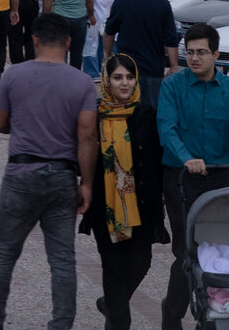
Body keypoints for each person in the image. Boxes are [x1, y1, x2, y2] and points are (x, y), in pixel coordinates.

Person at [0, 13, 97, 330]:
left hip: (21, 174)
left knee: (3, 254)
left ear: (35, 39)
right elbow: (87, 136)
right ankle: (60, 324)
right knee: (62, 260)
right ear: (69, 42)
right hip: (62, 177)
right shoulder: (82, 82)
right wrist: (87, 183)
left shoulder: (15, 76)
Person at [157, 22, 229, 330]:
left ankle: (217, 311)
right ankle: (172, 316)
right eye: (189, 53)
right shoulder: (173, 86)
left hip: (220, 179)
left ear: (215, 54)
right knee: (188, 250)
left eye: (201, 52)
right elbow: (166, 129)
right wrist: (186, 158)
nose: (194, 58)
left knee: (221, 248)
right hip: (181, 178)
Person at [78, 55, 168, 330]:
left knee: (141, 263)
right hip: (106, 207)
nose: (125, 83)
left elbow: (158, 158)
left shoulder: (146, 114)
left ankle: (111, 303)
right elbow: (81, 152)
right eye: (118, 77)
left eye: (129, 77)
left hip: (141, 205)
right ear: (107, 81)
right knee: (114, 270)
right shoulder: (93, 114)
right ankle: (118, 319)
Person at [102, 0, 178, 108]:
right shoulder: (162, 4)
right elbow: (170, 39)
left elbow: (109, 32)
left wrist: (108, 57)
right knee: (150, 115)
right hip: (153, 70)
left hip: (126, 69)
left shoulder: (122, 0)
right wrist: (174, 66)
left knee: (125, 113)